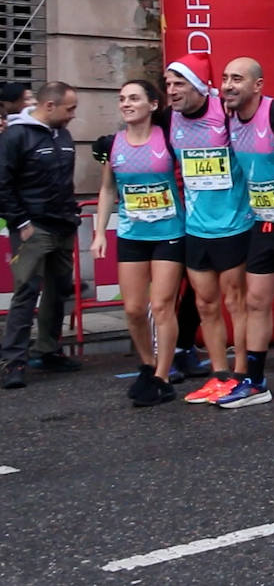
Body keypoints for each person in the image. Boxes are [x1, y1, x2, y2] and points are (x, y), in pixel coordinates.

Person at [214, 57, 274, 408]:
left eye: (237, 78)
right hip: (264, 223)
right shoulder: (228, 118)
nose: (228, 85)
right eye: (224, 78)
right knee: (255, 302)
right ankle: (255, 382)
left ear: (257, 85)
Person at [164, 54, 255, 405]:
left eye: (179, 84)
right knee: (205, 304)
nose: (172, 91)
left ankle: (243, 372)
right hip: (195, 226)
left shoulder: (225, 111)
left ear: (200, 87)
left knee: (236, 302)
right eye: (169, 84)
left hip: (233, 224)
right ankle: (219, 375)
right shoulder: (170, 118)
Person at [90, 80, 183, 405]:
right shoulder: (113, 145)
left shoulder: (168, 139)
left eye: (133, 98)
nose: (126, 104)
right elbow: (108, 190)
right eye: (121, 99)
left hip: (169, 233)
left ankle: (162, 374)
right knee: (132, 309)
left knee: (160, 305)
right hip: (132, 233)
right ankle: (146, 364)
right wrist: (101, 232)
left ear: (152, 105)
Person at [0, 82, 82, 389]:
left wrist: (72, 214)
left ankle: (48, 349)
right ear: (50, 106)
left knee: (59, 288)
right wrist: (21, 221)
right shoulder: (15, 135)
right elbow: (2, 183)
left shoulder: (63, 133)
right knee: (26, 291)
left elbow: (64, 179)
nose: (73, 115)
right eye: (69, 108)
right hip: (32, 227)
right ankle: (13, 361)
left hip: (62, 224)